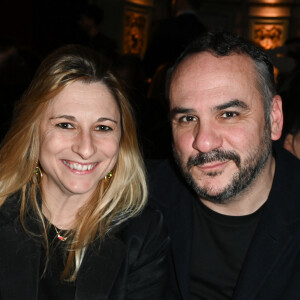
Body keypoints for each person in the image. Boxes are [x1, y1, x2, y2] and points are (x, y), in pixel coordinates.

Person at [0, 45, 169, 299]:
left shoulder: (142, 233)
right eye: (66, 125)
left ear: (123, 139)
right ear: (32, 131)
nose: (86, 148)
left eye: (103, 128)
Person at [147, 31, 300, 299]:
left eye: (228, 114)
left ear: (274, 118)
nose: (204, 142)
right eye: (187, 118)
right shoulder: (138, 196)